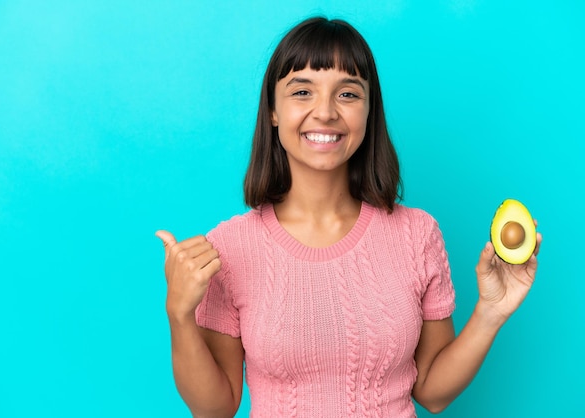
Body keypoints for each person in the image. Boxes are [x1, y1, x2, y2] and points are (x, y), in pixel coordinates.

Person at [156, 17, 541, 418]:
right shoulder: (230, 248)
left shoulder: (417, 234)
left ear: (369, 111)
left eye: (348, 94)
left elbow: (432, 393)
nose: (325, 112)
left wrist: (490, 312)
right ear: (272, 110)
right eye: (302, 91)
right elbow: (215, 409)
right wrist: (179, 314)